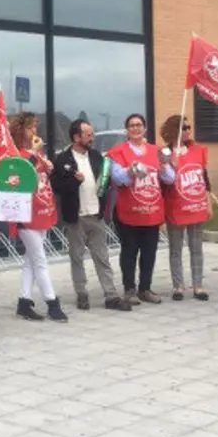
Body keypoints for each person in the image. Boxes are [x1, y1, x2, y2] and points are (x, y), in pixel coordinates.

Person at [52, 120, 129, 311]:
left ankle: (111, 295)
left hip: (96, 215)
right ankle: (81, 293)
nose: (92, 138)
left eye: (92, 134)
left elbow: (105, 181)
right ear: (77, 137)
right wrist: (74, 182)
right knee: (77, 257)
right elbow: (57, 188)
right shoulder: (62, 160)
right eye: (89, 135)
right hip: (76, 217)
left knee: (102, 257)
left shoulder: (96, 156)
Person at [107, 113, 174, 305]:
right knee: (129, 251)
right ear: (126, 130)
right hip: (128, 212)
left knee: (149, 252)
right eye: (131, 126)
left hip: (151, 211)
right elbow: (117, 179)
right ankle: (130, 289)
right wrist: (130, 170)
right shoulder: (118, 152)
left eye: (139, 125)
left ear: (145, 128)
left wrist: (164, 170)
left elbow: (170, 179)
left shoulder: (157, 151)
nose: (135, 128)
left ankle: (145, 288)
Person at [9, 112, 67, 322]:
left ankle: (24, 301)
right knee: (40, 258)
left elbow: (39, 173)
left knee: (31, 259)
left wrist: (46, 166)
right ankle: (52, 302)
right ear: (19, 130)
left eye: (35, 127)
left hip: (42, 209)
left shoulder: (36, 153)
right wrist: (34, 155)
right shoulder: (16, 153)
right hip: (26, 214)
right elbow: (19, 177)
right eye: (30, 127)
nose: (34, 131)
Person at [159, 115, 211, 301]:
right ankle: (178, 285)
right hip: (175, 206)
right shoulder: (165, 152)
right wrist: (168, 165)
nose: (188, 131)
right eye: (184, 128)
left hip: (196, 205)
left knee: (196, 247)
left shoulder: (199, 150)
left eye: (189, 127)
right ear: (174, 131)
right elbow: (162, 182)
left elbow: (205, 179)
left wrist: (208, 202)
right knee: (176, 248)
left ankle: (198, 284)